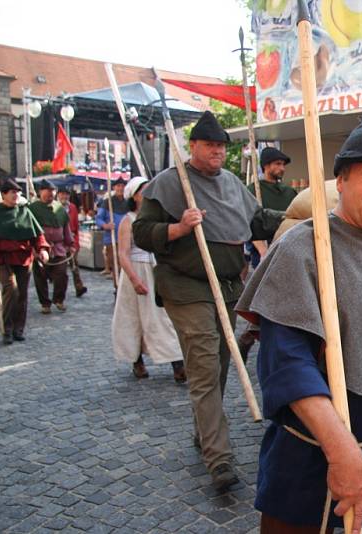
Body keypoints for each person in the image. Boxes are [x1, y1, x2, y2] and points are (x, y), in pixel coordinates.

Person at [236, 107, 362, 533]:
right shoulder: (303, 247)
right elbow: (287, 365)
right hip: (319, 451)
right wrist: (340, 451)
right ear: (340, 181)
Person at [132, 110, 284, 491]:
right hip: (186, 286)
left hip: (228, 287)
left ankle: (204, 432)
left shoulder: (232, 183)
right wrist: (179, 227)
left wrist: (306, 216)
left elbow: (260, 221)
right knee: (202, 366)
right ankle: (219, 459)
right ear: (193, 146)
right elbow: (141, 232)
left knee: (217, 367)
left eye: (221, 145)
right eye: (210, 145)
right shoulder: (169, 184)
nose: (217, 151)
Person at [111, 176, 185, 382]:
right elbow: (123, 254)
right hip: (137, 270)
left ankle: (177, 362)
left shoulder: (158, 219)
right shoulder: (128, 221)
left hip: (157, 269)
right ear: (134, 196)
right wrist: (134, 280)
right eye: (143, 190)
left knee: (164, 318)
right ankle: (136, 360)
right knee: (134, 318)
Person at [237, 146, 299, 360]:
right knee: (268, 299)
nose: (281, 168)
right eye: (277, 164)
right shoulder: (253, 190)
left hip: (289, 250)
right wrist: (264, 251)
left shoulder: (290, 193)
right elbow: (252, 224)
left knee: (284, 300)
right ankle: (251, 334)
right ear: (266, 166)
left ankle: (251, 334)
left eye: (283, 165)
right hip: (264, 251)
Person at [0, 179, 50, 344]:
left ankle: (19, 329)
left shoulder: (25, 212)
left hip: (23, 259)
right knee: (11, 289)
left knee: (22, 294)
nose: (16, 195)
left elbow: (38, 235)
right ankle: (7, 329)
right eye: (12, 192)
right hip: (3, 259)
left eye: (18, 192)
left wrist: (43, 249)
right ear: (4, 194)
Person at [29, 179, 74, 313]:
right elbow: (29, 230)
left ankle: (59, 299)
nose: (50, 194)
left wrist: (70, 243)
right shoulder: (32, 209)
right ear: (40, 192)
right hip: (40, 248)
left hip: (58, 248)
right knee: (41, 277)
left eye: (52, 192)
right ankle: (45, 303)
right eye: (47, 191)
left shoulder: (59, 208)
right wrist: (32, 249)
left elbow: (66, 228)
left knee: (61, 274)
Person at [95, 178, 129, 280]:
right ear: (114, 187)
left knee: (126, 266)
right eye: (118, 186)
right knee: (116, 265)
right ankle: (117, 288)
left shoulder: (129, 202)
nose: (121, 188)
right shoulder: (107, 202)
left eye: (122, 186)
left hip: (126, 238)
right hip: (112, 239)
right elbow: (98, 219)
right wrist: (106, 225)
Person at [57, 187, 87, 297]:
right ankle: (60, 293)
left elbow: (75, 226)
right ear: (58, 195)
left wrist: (76, 242)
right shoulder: (54, 207)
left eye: (66, 194)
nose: (64, 197)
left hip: (72, 240)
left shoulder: (72, 207)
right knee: (61, 269)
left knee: (74, 265)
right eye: (62, 194)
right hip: (60, 241)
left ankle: (79, 287)